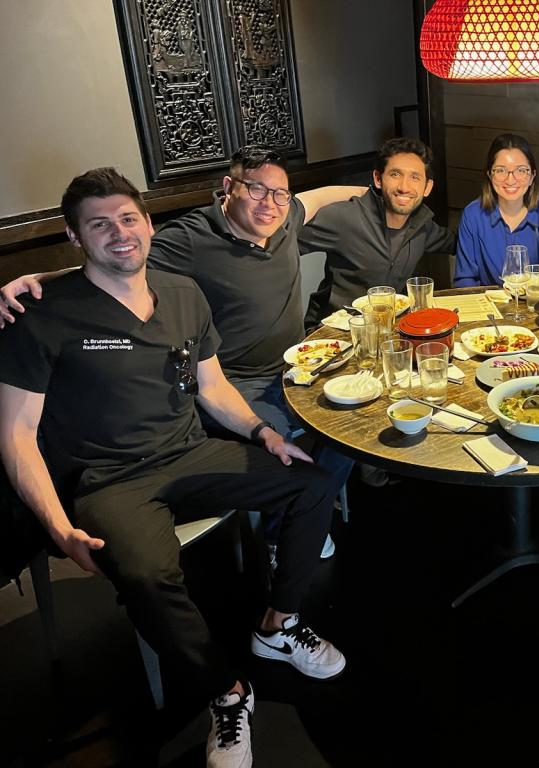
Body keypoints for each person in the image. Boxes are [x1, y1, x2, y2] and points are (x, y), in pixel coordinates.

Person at [0, 168, 347, 766]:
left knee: (311, 484)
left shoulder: (182, 293)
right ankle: (228, 692)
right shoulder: (39, 314)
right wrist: (57, 525)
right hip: (108, 479)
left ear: (148, 223)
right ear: (75, 236)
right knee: (146, 574)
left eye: (128, 218)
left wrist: (264, 433)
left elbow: (211, 388)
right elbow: (16, 433)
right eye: (99, 225)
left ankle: (279, 625)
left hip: (189, 453)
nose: (119, 233)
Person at [0, 146, 366, 557]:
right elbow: (117, 259)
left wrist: (379, 190)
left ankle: (308, 509)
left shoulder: (283, 216)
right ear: (229, 187)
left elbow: (320, 195)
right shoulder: (191, 239)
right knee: (276, 438)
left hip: (295, 367)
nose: (270, 203)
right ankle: (282, 533)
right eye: (257, 190)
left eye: (280, 193)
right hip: (232, 381)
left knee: (352, 421)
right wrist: (38, 277)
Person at [301, 137, 456, 325]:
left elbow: (463, 242)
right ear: (378, 178)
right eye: (395, 174)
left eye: (415, 177)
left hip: (386, 330)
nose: (404, 187)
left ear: (427, 187)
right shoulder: (346, 217)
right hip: (333, 335)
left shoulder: (423, 227)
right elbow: (278, 239)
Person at [453, 133, 539, 287]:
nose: (510, 180)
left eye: (521, 170)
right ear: (489, 175)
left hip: (535, 303)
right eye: (500, 170)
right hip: (487, 305)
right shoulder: (473, 215)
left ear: (532, 175)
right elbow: (465, 279)